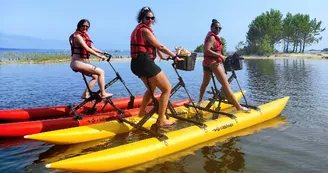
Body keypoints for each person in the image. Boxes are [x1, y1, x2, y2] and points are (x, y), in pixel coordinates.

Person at [130, 7, 182, 127]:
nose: (150, 20)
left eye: (152, 18)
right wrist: (174, 56)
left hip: (136, 64)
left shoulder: (138, 30)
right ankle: (161, 119)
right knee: (167, 89)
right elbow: (161, 46)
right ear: (142, 19)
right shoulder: (145, 31)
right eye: (147, 18)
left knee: (151, 89)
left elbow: (155, 47)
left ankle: (141, 113)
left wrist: (163, 57)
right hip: (144, 63)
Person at [198, 19, 250, 113]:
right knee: (226, 86)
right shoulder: (212, 38)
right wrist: (220, 56)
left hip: (207, 62)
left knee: (205, 83)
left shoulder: (211, 36)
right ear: (211, 28)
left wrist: (221, 55)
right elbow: (206, 50)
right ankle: (238, 107)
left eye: (219, 28)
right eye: (216, 27)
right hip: (213, 63)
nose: (218, 29)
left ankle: (199, 101)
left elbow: (213, 50)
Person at [69, 19, 112, 99]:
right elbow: (87, 48)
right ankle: (103, 93)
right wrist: (99, 56)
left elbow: (90, 47)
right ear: (79, 26)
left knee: (95, 76)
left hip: (81, 63)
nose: (85, 28)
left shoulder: (83, 36)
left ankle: (85, 94)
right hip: (77, 62)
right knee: (101, 72)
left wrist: (102, 52)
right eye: (83, 26)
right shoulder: (77, 36)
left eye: (87, 26)